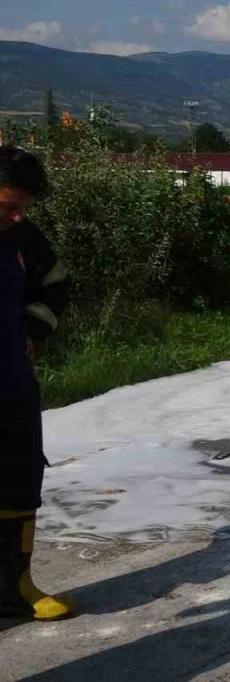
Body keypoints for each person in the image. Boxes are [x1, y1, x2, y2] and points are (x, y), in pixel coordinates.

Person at [0, 145, 71, 621]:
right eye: (8, 205)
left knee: (19, 481)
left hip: (10, 384)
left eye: (23, 208)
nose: (16, 217)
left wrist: (33, 330)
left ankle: (14, 587)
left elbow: (56, 282)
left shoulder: (22, 235)